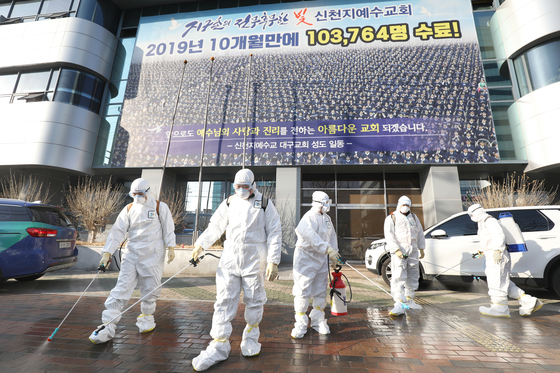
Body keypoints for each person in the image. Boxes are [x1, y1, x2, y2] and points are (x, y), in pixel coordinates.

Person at [191, 169, 282, 371]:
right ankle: (219, 345)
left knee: (254, 299)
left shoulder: (265, 204)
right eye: (237, 186)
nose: (241, 190)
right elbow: (215, 226)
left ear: (253, 185)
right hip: (230, 256)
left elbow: (275, 232)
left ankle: (250, 339)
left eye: (245, 187)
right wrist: (200, 244)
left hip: (254, 257)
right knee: (224, 300)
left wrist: (273, 261)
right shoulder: (229, 202)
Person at [89, 178, 176, 344]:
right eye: (134, 194)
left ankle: (147, 317)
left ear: (148, 192)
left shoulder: (160, 207)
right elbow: (117, 231)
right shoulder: (128, 209)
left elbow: (169, 228)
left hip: (153, 253)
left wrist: (171, 247)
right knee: (122, 287)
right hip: (132, 252)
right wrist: (107, 252)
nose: (137, 197)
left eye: (140, 194)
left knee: (151, 287)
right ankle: (107, 325)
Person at [467, 204, 542, 317]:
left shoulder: (489, 221)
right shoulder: (483, 223)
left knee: (496, 281)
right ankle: (528, 301)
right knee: (503, 282)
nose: (472, 217)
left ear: (476, 213)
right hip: (492, 254)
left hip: (497, 255)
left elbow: (499, 236)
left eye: (472, 214)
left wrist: (497, 250)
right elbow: (488, 239)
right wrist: (482, 250)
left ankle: (499, 308)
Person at [291, 191, 340, 339]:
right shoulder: (308, 217)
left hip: (321, 259)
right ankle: (300, 322)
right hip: (305, 258)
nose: (328, 205)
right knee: (302, 290)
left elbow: (332, 236)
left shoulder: (327, 218)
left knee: (320, 290)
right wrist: (327, 249)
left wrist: (334, 254)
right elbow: (310, 236)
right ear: (318, 203)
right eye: (325, 202)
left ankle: (318, 320)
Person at [384, 196, 425, 316]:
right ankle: (399, 303)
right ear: (399, 205)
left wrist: (421, 247)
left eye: (408, 205)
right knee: (399, 276)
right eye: (403, 204)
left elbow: (420, 232)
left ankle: (410, 300)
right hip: (400, 251)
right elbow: (389, 235)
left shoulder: (414, 217)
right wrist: (396, 249)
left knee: (413, 274)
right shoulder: (392, 217)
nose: (406, 207)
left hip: (413, 250)